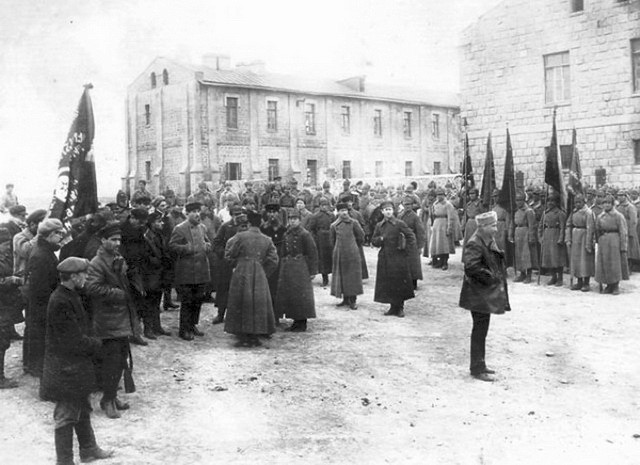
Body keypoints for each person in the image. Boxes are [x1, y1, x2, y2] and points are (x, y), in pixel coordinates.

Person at [40, 257, 114, 465]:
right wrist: (98, 345)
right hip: (65, 368)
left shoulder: (70, 295)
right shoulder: (60, 301)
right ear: (73, 276)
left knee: (82, 405)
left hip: (73, 366)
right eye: (84, 274)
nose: (86, 277)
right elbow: (72, 340)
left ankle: (88, 450)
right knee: (65, 414)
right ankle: (64, 461)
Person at [86, 222, 136, 419]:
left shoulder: (116, 258)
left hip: (121, 317)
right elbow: (92, 288)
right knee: (111, 362)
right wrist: (119, 294)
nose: (117, 243)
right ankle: (107, 400)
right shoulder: (97, 263)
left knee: (121, 360)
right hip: (107, 320)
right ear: (103, 240)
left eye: (119, 240)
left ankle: (112, 396)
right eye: (113, 240)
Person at [459, 211, 511, 382]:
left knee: (482, 330)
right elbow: (471, 267)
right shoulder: (475, 242)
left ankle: (480, 364)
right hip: (477, 294)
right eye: (493, 225)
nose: (496, 229)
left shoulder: (486, 239)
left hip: (482, 293)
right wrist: (492, 277)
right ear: (483, 226)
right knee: (479, 331)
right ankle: (477, 368)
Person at [224, 211, 279, 347]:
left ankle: (243, 334)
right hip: (259, 272)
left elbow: (229, 254)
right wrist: (263, 272)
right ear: (260, 223)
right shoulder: (267, 239)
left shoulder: (240, 237)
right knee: (257, 303)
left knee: (242, 301)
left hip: (242, 271)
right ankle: (255, 334)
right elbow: (274, 260)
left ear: (248, 223)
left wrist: (236, 264)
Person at [24, 219, 65, 378]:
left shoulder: (44, 250)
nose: (61, 236)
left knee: (37, 332)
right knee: (38, 333)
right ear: (48, 235)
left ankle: (33, 365)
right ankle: (35, 367)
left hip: (41, 302)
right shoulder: (41, 255)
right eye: (58, 233)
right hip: (41, 303)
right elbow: (40, 287)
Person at [169, 201, 212, 340]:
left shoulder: (202, 227)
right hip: (186, 271)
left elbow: (208, 241)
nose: (197, 214)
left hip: (201, 270)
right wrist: (186, 248)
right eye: (193, 211)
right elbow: (172, 246)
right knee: (187, 301)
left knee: (198, 300)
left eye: (198, 211)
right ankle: (184, 329)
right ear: (187, 213)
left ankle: (193, 325)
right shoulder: (180, 228)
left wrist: (207, 246)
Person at [274, 210, 318, 332]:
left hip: (300, 268)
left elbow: (312, 253)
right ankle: (295, 320)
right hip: (288, 267)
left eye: (295, 219)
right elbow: (283, 251)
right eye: (290, 219)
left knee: (301, 294)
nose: (292, 221)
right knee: (292, 294)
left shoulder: (305, 234)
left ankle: (302, 322)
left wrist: (313, 271)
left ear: (299, 220)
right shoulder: (287, 233)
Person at [371, 201, 416, 317]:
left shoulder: (399, 223)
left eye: (390, 209)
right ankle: (392, 307)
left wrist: (407, 251)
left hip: (398, 257)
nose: (388, 212)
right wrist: (380, 239)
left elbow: (411, 236)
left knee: (399, 282)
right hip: (385, 257)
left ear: (393, 211)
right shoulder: (379, 225)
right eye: (386, 210)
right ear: (382, 212)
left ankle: (400, 307)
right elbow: (374, 241)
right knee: (388, 283)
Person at [211, 205, 245, 324]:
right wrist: (224, 254)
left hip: (241, 263)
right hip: (227, 264)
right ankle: (220, 314)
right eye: (236, 214)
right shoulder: (225, 226)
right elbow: (216, 243)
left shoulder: (245, 227)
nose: (238, 216)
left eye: (240, 214)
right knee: (224, 289)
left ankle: (237, 316)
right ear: (231, 215)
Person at [330, 202, 364, 309]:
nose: (344, 213)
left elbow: (361, 236)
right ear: (338, 212)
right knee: (342, 276)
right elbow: (332, 240)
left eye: (345, 210)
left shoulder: (354, 223)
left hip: (352, 253)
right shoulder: (334, 225)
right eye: (341, 211)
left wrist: (353, 246)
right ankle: (345, 299)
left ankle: (353, 300)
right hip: (340, 254)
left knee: (352, 277)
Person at [0, 227, 22, 388]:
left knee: (4, 340)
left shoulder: (5, 256)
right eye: (5, 243)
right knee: (1, 341)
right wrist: (10, 280)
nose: (8, 246)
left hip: (6, 304)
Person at [595, 194, 629, 295]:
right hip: (603, 241)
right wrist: (599, 240)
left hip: (615, 241)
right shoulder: (600, 216)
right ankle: (608, 285)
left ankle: (615, 285)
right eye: (604, 203)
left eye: (609, 203)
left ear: (613, 204)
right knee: (605, 263)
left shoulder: (618, 216)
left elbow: (623, 231)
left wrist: (623, 246)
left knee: (614, 264)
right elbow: (597, 229)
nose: (606, 205)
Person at [565, 194, 595, 291]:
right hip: (575, 237)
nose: (577, 204)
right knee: (576, 260)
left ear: (584, 202)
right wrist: (568, 238)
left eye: (579, 202)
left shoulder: (588, 212)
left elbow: (590, 228)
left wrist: (588, 243)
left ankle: (586, 282)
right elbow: (568, 224)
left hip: (584, 237)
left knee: (585, 260)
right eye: (576, 202)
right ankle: (579, 281)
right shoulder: (574, 212)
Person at [538, 193, 566, 286]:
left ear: (557, 202)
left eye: (553, 201)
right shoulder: (545, 213)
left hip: (556, 235)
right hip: (547, 236)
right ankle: (553, 277)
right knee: (549, 258)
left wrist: (561, 238)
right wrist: (540, 237)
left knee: (557, 258)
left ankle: (560, 278)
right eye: (549, 201)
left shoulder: (560, 213)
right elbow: (540, 226)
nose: (550, 203)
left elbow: (562, 227)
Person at [306, 198, 335, 287]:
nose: (324, 207)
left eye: (326, 205)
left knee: (331, 257)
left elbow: (335, 226)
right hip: (320, 239)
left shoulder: (331, 215)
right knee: (322, 259)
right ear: (319, 206)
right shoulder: (315, 216)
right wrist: (316, 237)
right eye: (323, 205)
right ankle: (324, 279)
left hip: (330, 237)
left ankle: (334, 279)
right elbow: (310, 228)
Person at [398, 196, 425, 290]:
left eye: (409, 204)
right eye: (405, 204)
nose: (407, 206)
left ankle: (414, 282)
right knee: (402, 262)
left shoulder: (415, 217)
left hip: (412, 242)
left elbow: (420, 232)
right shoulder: (400, 215)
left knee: (413, 263)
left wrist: (420, 246)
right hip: (402, 242)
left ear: (412, 205)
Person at [512, 192, 538, 283]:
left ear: (524, 200)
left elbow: (532, 225)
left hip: (526, 233)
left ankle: (529, 275)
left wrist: (531, 237)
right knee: (519, 254)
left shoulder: (529, 211)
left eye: (520, 200)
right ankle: (522, 273)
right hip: (518, 233)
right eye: (516, 200)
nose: (518, 202)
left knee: (527, 254)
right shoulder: (516, 211)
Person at [429, 188, 456, 270]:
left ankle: (444, 262)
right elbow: (432, 215)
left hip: (444, 224)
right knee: (436, 243)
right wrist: (432, 225)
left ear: (444, 195)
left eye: (441, 194)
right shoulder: (435, 204)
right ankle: (437, 261)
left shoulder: (448, 205)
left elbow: (451, 217)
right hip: (436, 224)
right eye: (438, 195)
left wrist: (449, 228)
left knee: (444, 244)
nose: (439, 196)